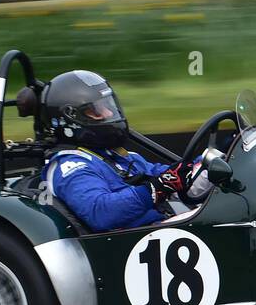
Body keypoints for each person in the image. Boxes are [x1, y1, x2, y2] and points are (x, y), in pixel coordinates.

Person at [41, 70, 188, 231]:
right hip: (131, 241)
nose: (109, 113)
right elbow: (101, 213)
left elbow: (170, 175)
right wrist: (155, 189)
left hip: (163, 228)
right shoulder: (70, 166)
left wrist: (205, 167)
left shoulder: (120, 156)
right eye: (96, 111)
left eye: (107, 105)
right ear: (71, 118)